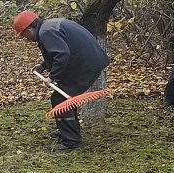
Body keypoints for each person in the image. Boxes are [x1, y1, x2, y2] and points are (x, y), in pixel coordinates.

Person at [13, 10, 110, 152]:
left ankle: (72, 143)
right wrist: (44, 65)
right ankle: (66, 129)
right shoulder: (48, 27)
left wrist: (52, 76)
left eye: (23, 35)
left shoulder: (46, 32)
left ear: (29, 29)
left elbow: (62, 54)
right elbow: (59, 50)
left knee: (61, 99)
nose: (25, 39)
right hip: (86, 60)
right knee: (64, 97)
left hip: (86, 64)